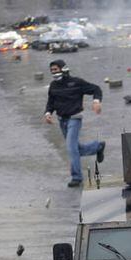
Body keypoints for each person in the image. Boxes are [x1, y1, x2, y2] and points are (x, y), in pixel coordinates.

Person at [44, 59, 105, 187]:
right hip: (62, 120)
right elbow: (51, 102)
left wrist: (96, 102)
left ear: (63, 69)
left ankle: (76, 177)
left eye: (56, 69)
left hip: (74, 118)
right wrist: (48, 113)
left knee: (71, 148)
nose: (54, 72)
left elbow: (96, 89)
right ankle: (97, 147)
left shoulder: (76, 82)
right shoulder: (53, 86)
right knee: (76, 149)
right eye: (52, 71)